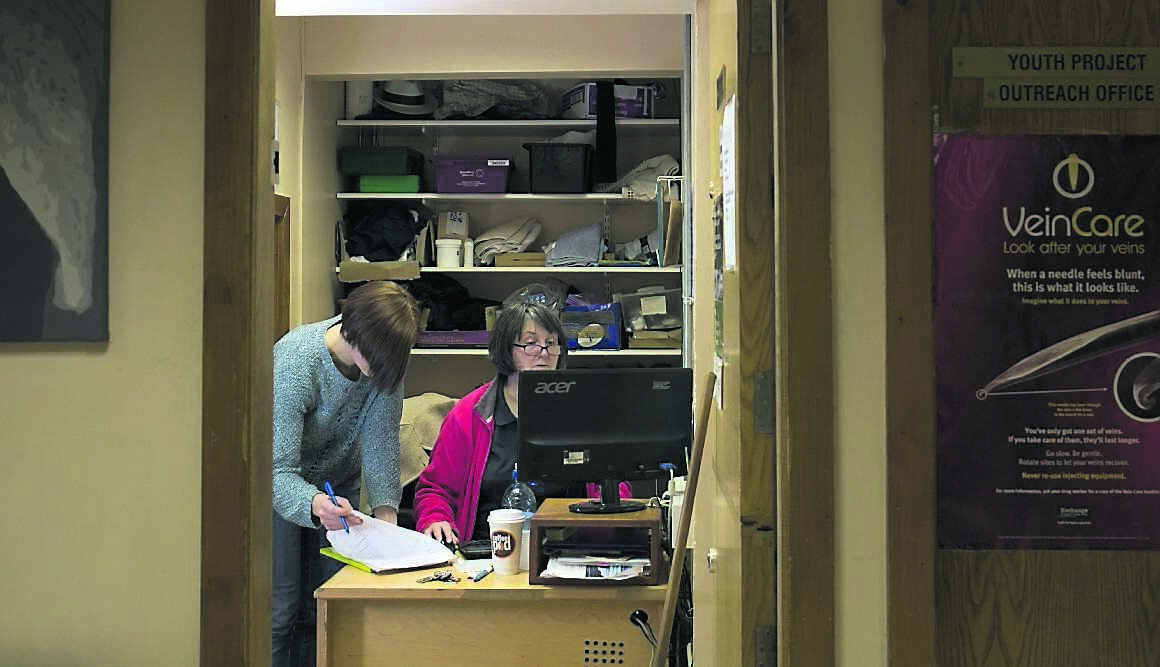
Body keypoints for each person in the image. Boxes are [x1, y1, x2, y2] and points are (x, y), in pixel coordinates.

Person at [271, 280, 421, 667]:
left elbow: (381, 443)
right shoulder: (296, 361)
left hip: (338, 487)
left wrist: (386, 523)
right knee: (281, 612)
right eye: (378, 361)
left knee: (327, 603)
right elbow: (278, 469)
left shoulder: (384, 362)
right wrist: (314, 502)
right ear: (353, 332)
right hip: (282, 487)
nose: (382, 374)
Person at [414, 301, 632, 546]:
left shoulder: (585, 412)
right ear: (506, 349)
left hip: (571, 547)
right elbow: (435, 490)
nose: (544, 352)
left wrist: (611, 508)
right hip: (490, 550)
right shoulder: (468, 415)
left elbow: (615, 483)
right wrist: (436, 518)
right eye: (530, 343)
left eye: (551, 343)